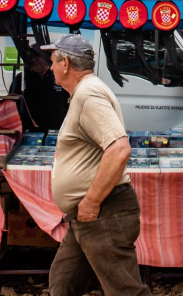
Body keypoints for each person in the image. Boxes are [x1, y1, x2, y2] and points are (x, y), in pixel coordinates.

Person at [43, 34, 150, 296]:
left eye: (53, 61)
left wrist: (91, 202)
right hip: (89, 215)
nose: (50, 67)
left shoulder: (88, 94)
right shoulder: (85, 92)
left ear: (66, 63)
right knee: (63, 283)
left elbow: (119, 149)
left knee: (124, 291)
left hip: (102, 211)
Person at [9, 47, 68, 131]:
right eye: (31, 57)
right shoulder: (21, 78)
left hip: (56, 130)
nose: (34, 60)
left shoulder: (58, 76)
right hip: (28, 131)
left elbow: (70, 102)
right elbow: (11, 105)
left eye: (38, 56)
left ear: (46, 57)